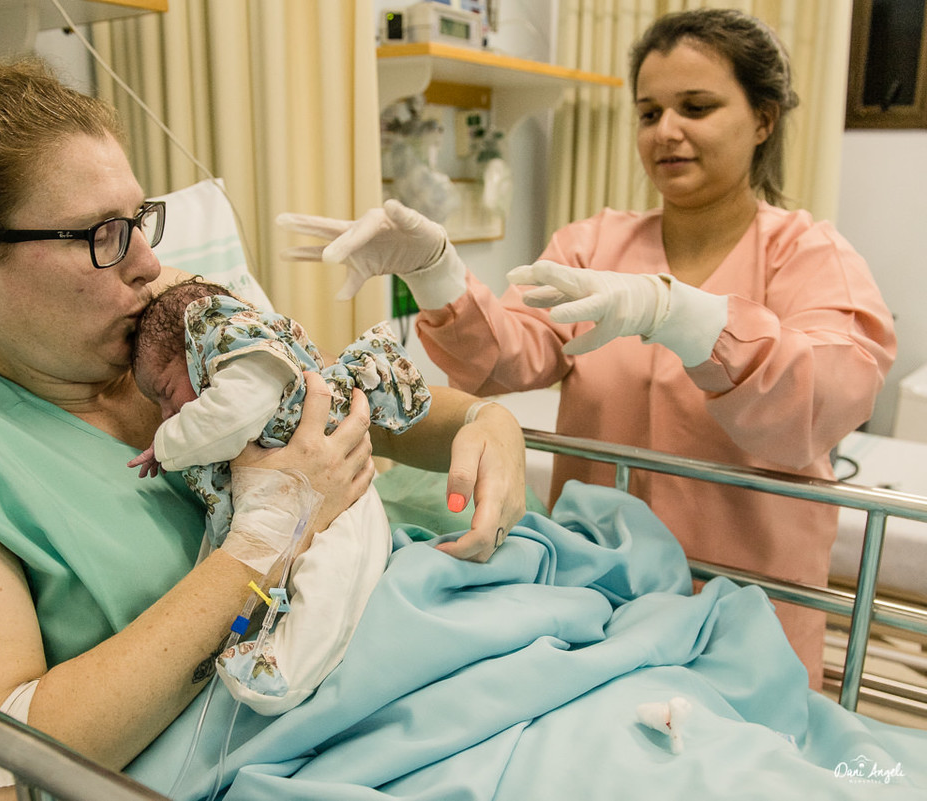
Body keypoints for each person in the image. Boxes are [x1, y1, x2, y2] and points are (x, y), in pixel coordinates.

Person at [0, 57, 527, 798]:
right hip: (277, 753)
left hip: (416, 665)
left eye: (139, 221)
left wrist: (486, 419)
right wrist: (269, 533)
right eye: (102, 235)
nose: (148, 263)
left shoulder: (167, 333)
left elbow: (328, 401)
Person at [278, 7, 897, 688]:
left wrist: (686, 318)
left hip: (747, 611)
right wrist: (437, 276)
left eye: (696, 107)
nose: (666, 131)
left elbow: (826, 399)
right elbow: (509, 357)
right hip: (600, 594)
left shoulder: (810, 256)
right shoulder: (594, 244)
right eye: (649, 112)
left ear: (763, 120)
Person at [127, 276, 431, 714]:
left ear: (195, 349)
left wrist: (165, 445)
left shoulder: (243, 350)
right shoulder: (234, 354)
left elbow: (231, 416)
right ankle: (267, 649)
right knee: (288, 580)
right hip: (303, 501)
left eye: (166, 392)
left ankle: (284, 673)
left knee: (331, 583)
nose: (166, 413)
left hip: (344, 506)